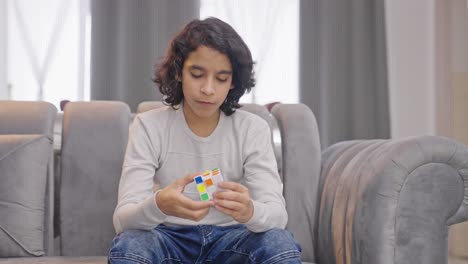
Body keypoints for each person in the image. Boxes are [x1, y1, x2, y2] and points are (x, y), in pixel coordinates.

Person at [108, 17, 302, 263]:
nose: (208, 89)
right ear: (179, 72)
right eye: (197, 74)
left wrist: (249, 210)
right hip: (168, 238)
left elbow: (277, 215)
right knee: (131, 243)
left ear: (233, 82)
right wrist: (159, 205)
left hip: (234, 239)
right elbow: (122, 219)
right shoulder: (149, 125)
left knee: (278, 241)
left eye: (221, 79)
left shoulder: (252, 128)